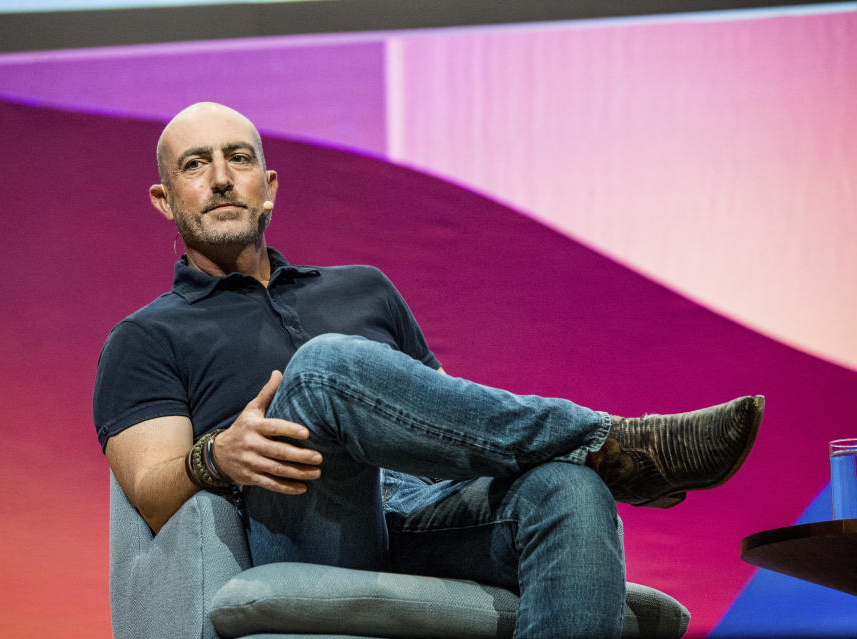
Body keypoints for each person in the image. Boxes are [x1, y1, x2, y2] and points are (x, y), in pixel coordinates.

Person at [93, 102, 763, 638]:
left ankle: (587, 456)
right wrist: (217, 455)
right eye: (195, 164)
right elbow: (149, 489)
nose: (219, 177)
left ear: (267, 188)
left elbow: (443, 425)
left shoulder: (364, 288)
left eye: (238, 159)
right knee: (321, 367)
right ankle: (610, 441)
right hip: (305, 517)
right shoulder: (146, 334)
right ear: (164, 198)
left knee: (569, 490)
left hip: (420, 507)